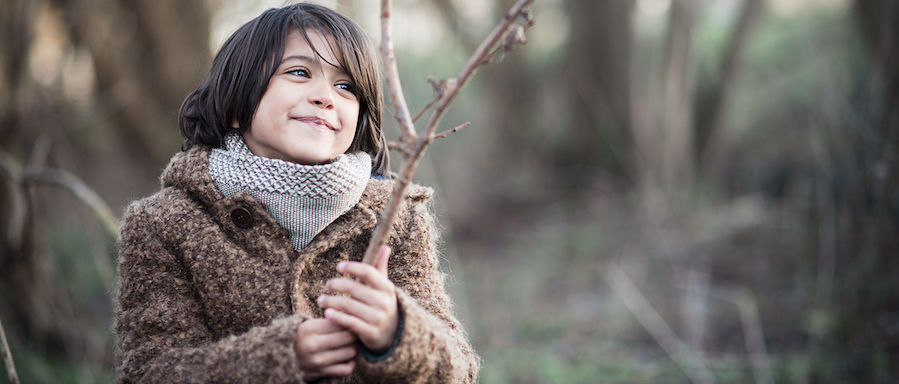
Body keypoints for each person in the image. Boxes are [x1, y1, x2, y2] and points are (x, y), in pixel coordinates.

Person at [113, 3, 479, 383]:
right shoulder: (163, 224)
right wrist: (278, 357)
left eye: (346, 86)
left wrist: (397, 333)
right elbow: (149, 371)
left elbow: (458, 370)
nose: (326, 97)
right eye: (299, 72)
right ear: (237, 103)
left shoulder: (395, 217)